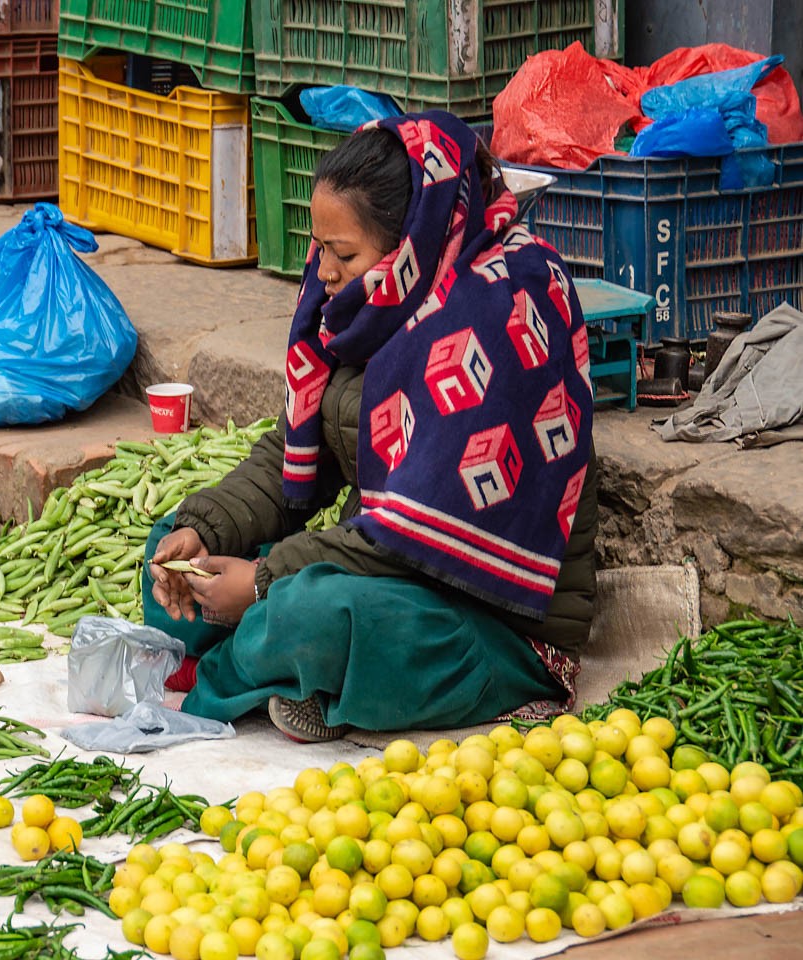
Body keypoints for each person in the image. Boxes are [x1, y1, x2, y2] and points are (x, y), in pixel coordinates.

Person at [144, 111, 598, 743]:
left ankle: (257, 665)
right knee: (169, 550)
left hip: (487, 613)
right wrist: (204, 527)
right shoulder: (370, 304)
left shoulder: (502, 309)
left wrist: (266, 580)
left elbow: (415, 532)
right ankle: (284, 668)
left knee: (309, 614)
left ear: (411, 237)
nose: (323, 273)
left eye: (342, 253)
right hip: (384, 562)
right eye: (319, 246)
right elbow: (294, 450)